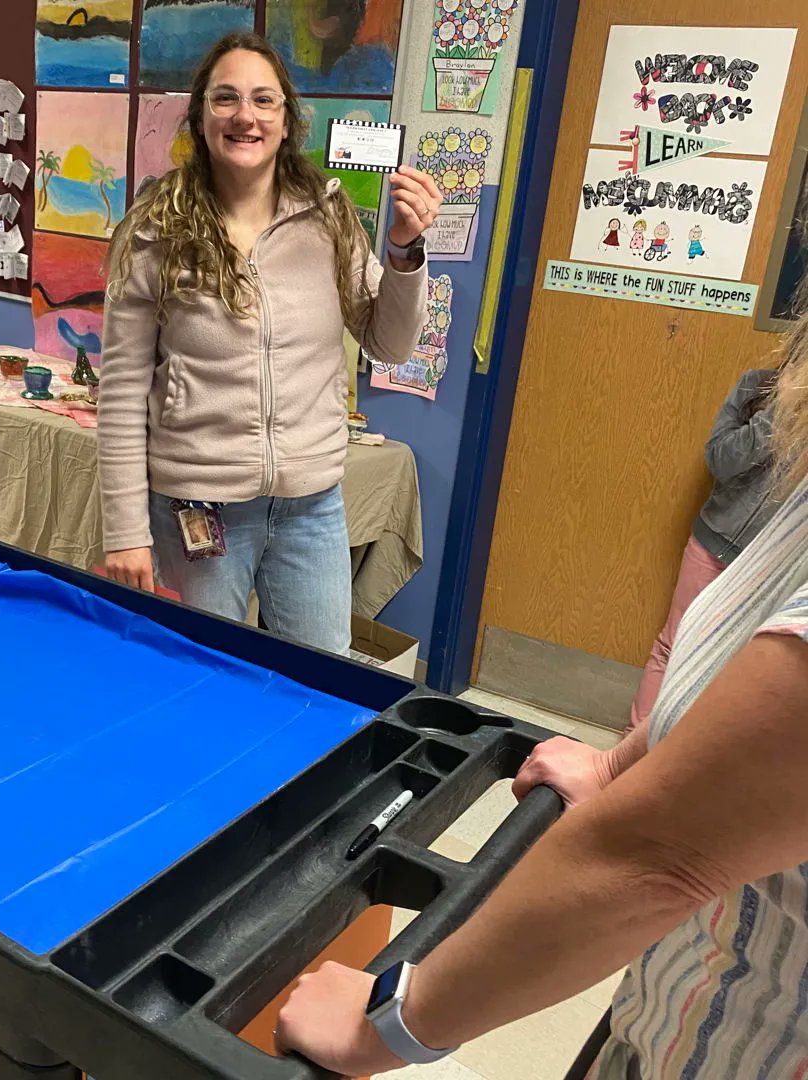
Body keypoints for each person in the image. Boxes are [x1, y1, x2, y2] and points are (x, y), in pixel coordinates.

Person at [276, 300, 808, 1076]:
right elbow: (737, 687)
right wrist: (621, 767)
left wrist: (391, 1023)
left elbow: (657, 859)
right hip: (681, 1003)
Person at [98, 33, 438, 653]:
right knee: (201, 683)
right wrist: (126, 531)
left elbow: (388, 344)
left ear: (287, 122)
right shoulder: (156, 228)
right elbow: (120, 392)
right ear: (201, 119)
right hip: (198, 512)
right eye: (225, 99)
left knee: (319, 685)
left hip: (310, 509)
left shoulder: (329, 220)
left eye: (263, 101)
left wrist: (404, 252)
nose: (244, 116)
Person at [628, 367, 778, 729]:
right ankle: (629, 760)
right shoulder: (757, 384)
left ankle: (686, 769)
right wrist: (777, 416)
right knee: (671, 647)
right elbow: (719, 460)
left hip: (768, 564)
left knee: (735, 669)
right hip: (711, 543)